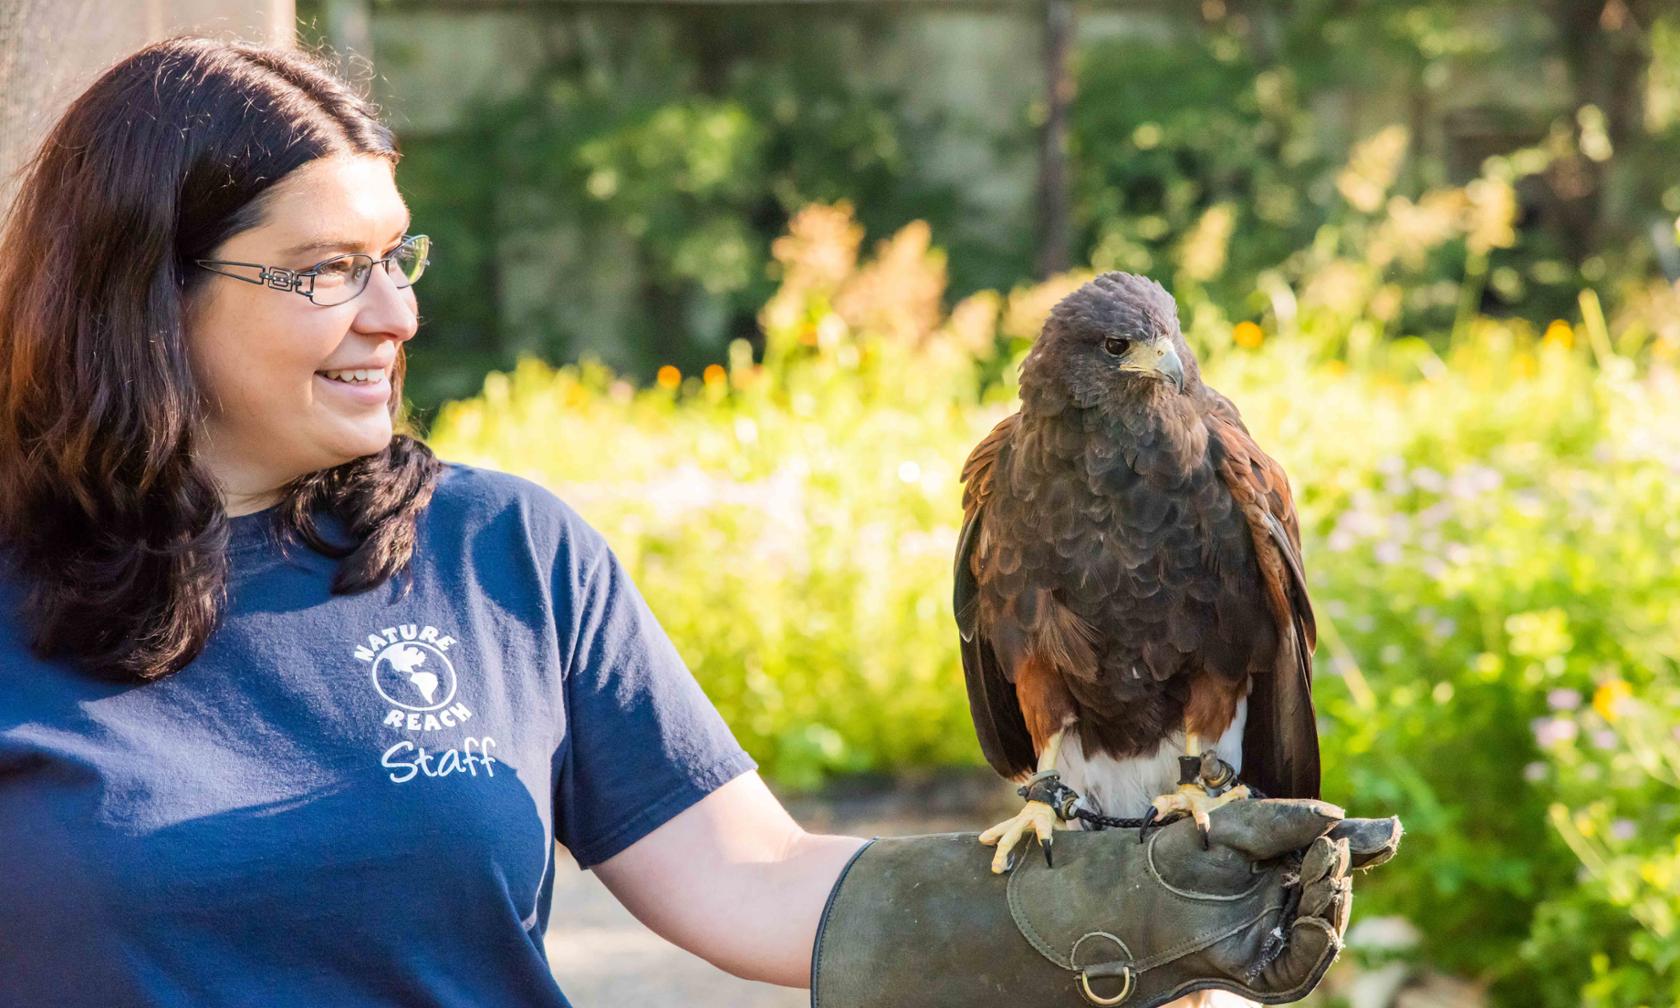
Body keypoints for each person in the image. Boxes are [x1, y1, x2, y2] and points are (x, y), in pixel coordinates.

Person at [0, 36, 1380, 1008]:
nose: (394, 314)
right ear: (144, 293)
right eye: (322, 272)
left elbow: (753, 881)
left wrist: (1110, 919)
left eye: (395, 258)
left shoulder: (505, 556)